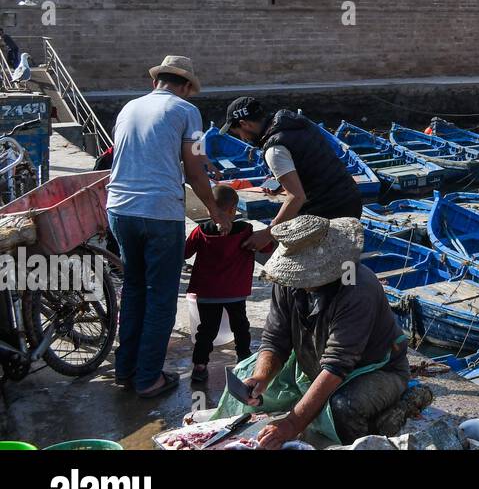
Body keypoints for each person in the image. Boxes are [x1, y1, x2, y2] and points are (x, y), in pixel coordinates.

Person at [106, 55, 218, 398]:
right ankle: (149, 378)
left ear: (157, 81)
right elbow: (195, 170)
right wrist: (216, 210)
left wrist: (197, 161)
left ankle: (126, 370)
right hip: (158, 212)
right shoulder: (187, 111)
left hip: (119, 209)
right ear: (184, 86)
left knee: (136, 289)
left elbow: (149, 152)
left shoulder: (130, 107)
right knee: (161, 297)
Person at [245, 215, 411, 447]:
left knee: (343, 408)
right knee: (248, 382)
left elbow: (336, 365)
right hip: (315, 362)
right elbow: (275, 339)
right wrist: (261, 377)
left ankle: (387, 417)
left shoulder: (357, 287)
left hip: (377, 370)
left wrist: (293, 423)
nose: (297, 279)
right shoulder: (287, 282)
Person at [221, 98, 362, 251]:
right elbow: (310, 162)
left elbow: (296, 197)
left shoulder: (274, 149)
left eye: (239, 133)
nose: (243, 139)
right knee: (343, 258)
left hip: (328, 210)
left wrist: (268, 233)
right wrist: (283, 183)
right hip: (351, 198)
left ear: (244, 124)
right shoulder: (294, 122)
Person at [184, 184, 254, 382]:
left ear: (209, 209)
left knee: (206, 330)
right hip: (235, 292)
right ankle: (244, 357)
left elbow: (185, 252)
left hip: (207, 293)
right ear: (234, 210)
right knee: (240, 325)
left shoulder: (200, 230)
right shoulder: (245, 230)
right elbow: (265, 246)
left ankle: (199, 365)